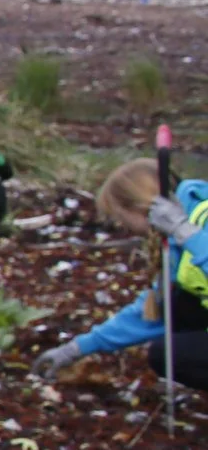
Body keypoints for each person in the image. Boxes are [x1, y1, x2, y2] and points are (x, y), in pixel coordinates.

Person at [32, 160, 208, 391]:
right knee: (178, 305)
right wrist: (78, 348)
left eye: (120, 215)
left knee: (171, 355)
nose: (121, 225)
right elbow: (153, 313)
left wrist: (185, 231)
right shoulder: (175, 242)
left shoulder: (198, 220)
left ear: (140, 206)